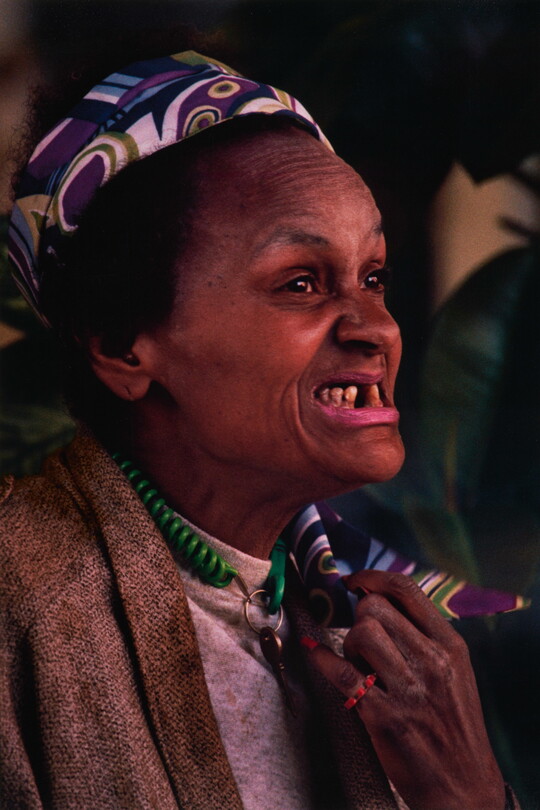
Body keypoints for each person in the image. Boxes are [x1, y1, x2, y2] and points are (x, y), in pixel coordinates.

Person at [1, 50, 520, 810]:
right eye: (301, 283)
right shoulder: (20, 601)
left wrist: (470, 798)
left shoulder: (370, 636)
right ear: (121, 346)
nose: (377, 328)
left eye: (373, 276)